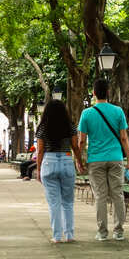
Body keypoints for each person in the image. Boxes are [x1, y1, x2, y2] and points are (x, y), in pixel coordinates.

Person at [77, 79, 129, 241]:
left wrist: (79, 161)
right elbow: (123, 138)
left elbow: (81, 141)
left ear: (93, 93)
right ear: (108, 93)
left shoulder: (86, 114)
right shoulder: (118, 111)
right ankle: (119, 231)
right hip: (115, 158)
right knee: (117, 194)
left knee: (100, 196)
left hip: (96, 160)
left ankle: (102, 232)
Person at [35, 99, 83, 243]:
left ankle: (57, 237)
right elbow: (75, 147)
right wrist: (79, 162)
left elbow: (40, 150)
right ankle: (69, 235)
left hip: (49, 163)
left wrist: (38, 169)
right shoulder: (70, 126)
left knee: (54, 203)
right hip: (67, 160)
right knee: (68, 202)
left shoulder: (43, 127)